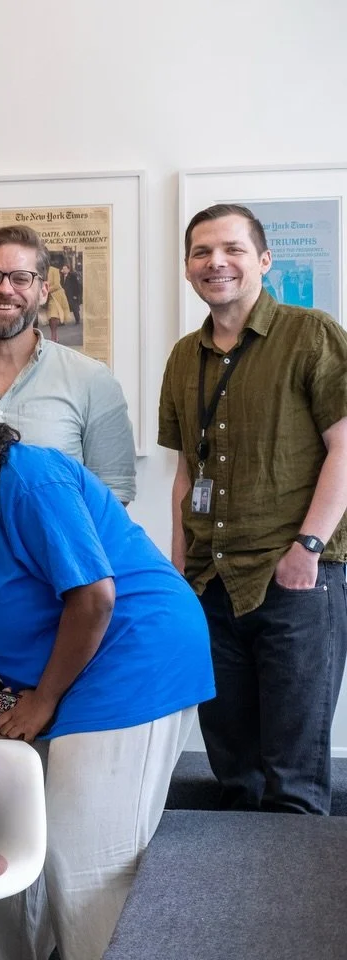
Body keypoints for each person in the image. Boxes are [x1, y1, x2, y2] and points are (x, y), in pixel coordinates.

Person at [0, 376, 215, 960]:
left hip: (132, 656)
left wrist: (40, 702)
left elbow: (94, 597)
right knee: (0, 843)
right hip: (51, 678)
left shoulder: (30, 475)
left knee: (80, 850)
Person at [161, 203, 347, 815]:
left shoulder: (310, 333)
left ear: (264, 260)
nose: (216, 262)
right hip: (210, 583)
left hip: (293, 580)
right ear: (188, 267)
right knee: (235, 774)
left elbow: (345, 447)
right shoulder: (183, 356)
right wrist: (179, 572)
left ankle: (293, 883)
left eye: (233, 249)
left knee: (293, 779)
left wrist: (308, 549)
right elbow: (186, 473)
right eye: (202, 252)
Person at [0, 225, 136, 504]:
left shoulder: (92, 380)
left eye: (21, 278)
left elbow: (112, 499)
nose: (5, 289)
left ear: (44, 291)